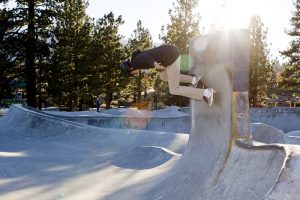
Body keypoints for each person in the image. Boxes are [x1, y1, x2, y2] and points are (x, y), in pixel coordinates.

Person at [120, 45, 215, 107]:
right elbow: (144, 58)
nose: (134, 75)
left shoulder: (135, 62)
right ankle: (193, 79)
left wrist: (154, 64)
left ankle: (206, 93)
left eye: (132, 74)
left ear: (130, 69)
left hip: (171, 58)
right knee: (163, 77)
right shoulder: (136, 60)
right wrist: (147, 71)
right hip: (171, 53)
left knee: (174, 90)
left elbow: (144, 57)